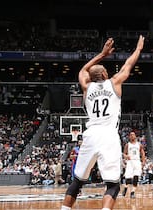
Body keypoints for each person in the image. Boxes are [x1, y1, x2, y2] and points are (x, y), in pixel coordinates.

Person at [61, 35, 145, 210]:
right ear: (105, 74)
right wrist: (138, 50)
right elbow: (128, 65)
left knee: (77, 182)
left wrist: (102, 54)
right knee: (113, 185)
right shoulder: (114, 82)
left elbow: (83, 70)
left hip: (90, 135)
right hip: (108, 136)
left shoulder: (86, 86)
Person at [121, 131, 146, 198]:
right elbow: (124, 153)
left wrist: (143, 161)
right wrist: (125, 156)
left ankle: (132, 192)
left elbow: (142, 153)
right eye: (130, 135)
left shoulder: (139, 144)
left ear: (135, 136)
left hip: (137, 161)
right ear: (129, 137)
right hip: (130, 162)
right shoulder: (127, 145)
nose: (132, 136)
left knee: (136, 177)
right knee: (128, 178)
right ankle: (125, 188)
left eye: (133, 135)